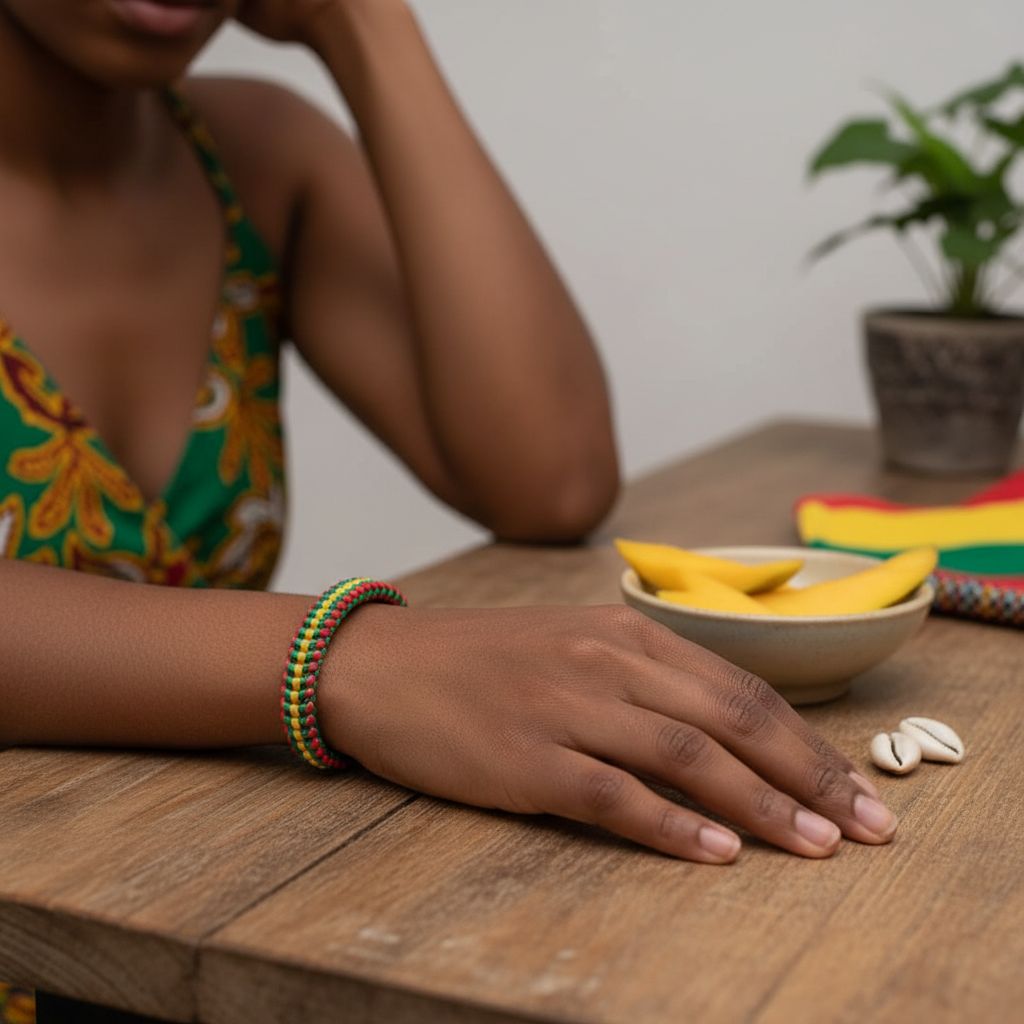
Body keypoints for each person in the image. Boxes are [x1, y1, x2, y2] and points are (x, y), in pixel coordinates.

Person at [0, 6, 899, 1013]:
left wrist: (366, 25)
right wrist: (351, 659)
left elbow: (548, 479)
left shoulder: (252, 155)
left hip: (176, 928)